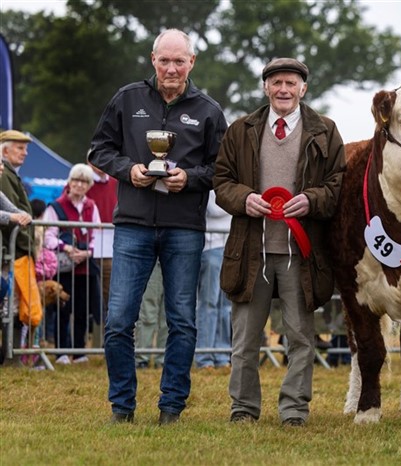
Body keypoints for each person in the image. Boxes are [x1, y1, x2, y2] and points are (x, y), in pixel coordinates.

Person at [89, 28, 227, 425]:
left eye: (178, 61)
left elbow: (222, 168)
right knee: (118, 321)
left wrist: (192, 179)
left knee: (182, 321)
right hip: (132, 225)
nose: (171, 68)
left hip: (184, 228)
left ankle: (171, 407)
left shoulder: (208, 110)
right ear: (153, 60)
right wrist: (127, 170)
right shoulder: (126, 98)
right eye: (164, 60)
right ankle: (122, 406)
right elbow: (99, 149)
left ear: (191, 63)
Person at [214, 57, 345, 427]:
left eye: (291, 83)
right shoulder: (240, 129)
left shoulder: (326, 131)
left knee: (301, 339)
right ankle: (243, 409)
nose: (283, 90)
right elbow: (221, 180)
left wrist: (312, 199)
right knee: (245, 340)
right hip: (250, 251)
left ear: (303, 88)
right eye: (276, 83)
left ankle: (294, 411)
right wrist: (244, 199)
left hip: (301, 255)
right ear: (266, 88)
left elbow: (337, 184)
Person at [43, 163, 102, 365]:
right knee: (62, 310)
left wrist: (86, 253)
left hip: (85, 267)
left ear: (89, 184)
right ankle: (60, 352)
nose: (79, 184)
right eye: (76, 180)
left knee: (83, 310)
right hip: (63, 267)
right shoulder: (55, 206)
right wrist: (66, 248)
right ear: (69, 182)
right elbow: (47, 236)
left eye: (84, 181)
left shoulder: (91, 206)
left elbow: (97, 234)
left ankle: (79, 351)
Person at [0, 130, 42, 331]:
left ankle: (12, 356)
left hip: (13, 250)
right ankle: (11, 356)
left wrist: (22, 216)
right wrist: (25, 245)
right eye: (20, 148)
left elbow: (14, 209)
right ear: (5, 151)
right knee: (10, 306)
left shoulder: (8, 176)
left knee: (11, 305)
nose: (25, 153)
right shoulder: (5, 175)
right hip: (13, 251)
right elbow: (11, 217)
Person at [195, 190, 232, 369]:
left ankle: (222, 354)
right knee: (209, 302)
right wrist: (236, 199)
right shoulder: (211, 181)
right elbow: (215, 209)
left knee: (226, 305)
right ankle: (204, 355)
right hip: (212, 245)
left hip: (230, 245)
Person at [86, 157, 118, 347]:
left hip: (110, 247)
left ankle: (104, 343)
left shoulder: (115, 181)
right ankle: (84, 345)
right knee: (86, 295)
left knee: (108, 297)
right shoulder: (84, 180)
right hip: (88, 248)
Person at [134, 260, 167, 369]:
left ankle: (163, 358)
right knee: (147, 312)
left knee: (167, 314)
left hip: (174, 259)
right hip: (153, 260)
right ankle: (142, 358)